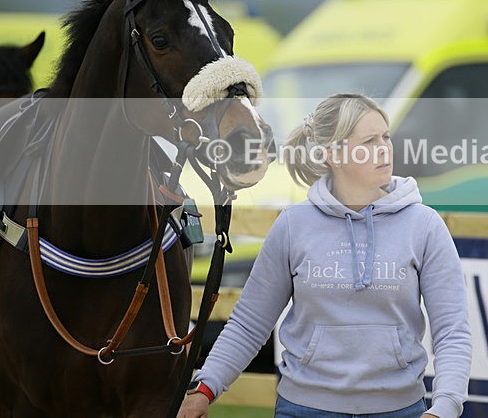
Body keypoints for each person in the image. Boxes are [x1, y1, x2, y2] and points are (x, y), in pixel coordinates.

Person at [177, 93, 471, 418]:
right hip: (303, 409)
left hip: (400, 410)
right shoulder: (292, 226)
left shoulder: (424, 225)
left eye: (385, 137)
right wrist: (205, 389)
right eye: (370, 141)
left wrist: (445, 407)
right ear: (333, 154)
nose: (385, 148)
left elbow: (452, 329)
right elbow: (249, 325)